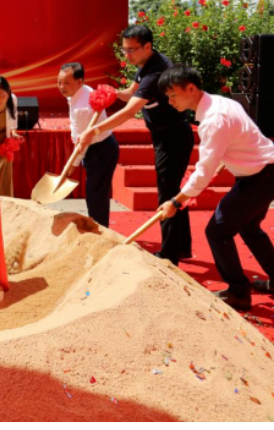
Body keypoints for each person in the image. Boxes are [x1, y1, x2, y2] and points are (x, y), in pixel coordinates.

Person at [156, 66, 274, 311]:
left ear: (191, 88)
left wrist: (175, 202)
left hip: (260, 179)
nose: (170, 101)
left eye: (173, 95)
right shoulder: (221, 102)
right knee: (250, 228)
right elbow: (240, 138)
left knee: (217, 232)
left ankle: (239, 293)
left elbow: (204, 172)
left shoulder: (214, 120)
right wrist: (222, 160)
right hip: (269, 172)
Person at [79, 25, 193, 264]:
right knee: (173, 190)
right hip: (166, 135)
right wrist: (111, 93)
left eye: (131, 50)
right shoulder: (146, 65)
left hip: (172, 137)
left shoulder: (156, 73)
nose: (127, 55)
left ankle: (169, 254)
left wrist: (94, 130)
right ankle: (182, 246)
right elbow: (131, 92)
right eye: (125, 50)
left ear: (147, 46)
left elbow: (130, 110)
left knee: (168, 194)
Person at [58, 63, 120, 227]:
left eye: (66, 83)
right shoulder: (82, 91)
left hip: (99, 149)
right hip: (99, 146)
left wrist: (73, 164)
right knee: (97, 192)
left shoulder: (82, 108)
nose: (62, 87)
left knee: (96, 194)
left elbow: (82, 141)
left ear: (79, 82)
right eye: (59, 82)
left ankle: (99, 230)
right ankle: (99, 226)